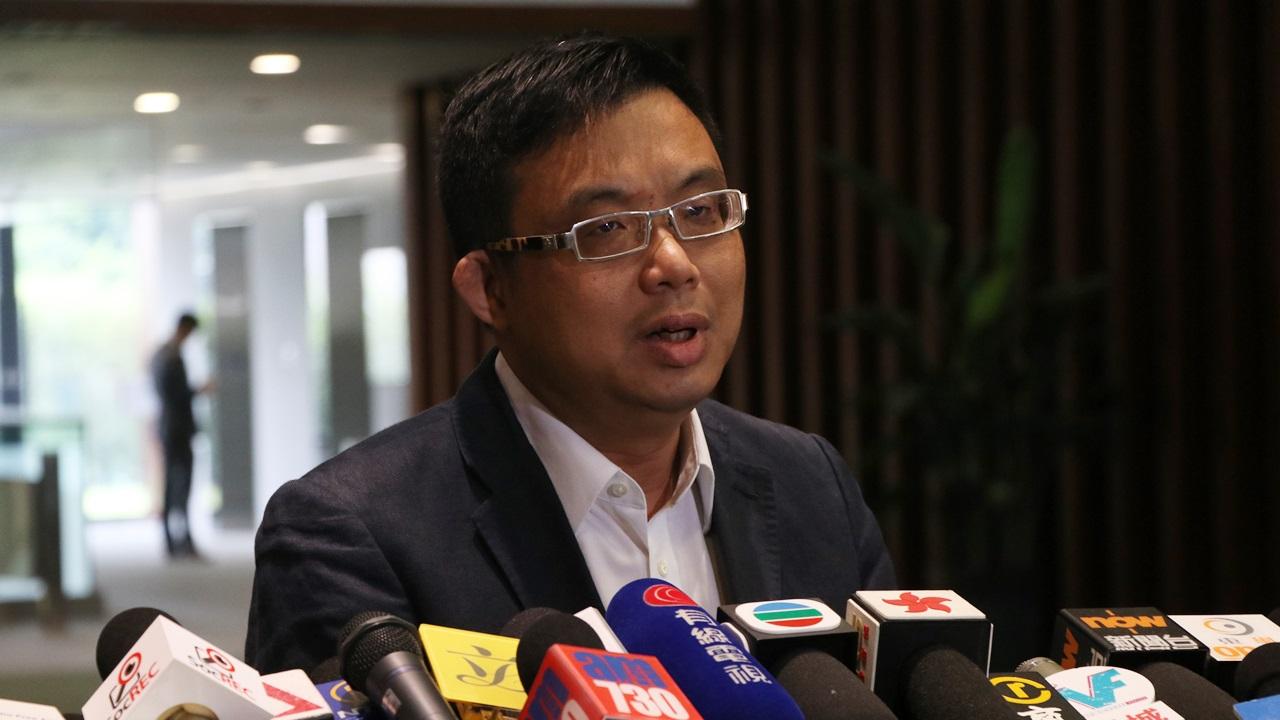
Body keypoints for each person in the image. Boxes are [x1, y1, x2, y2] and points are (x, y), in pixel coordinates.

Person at [245, 34, 894, 674]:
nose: (673, 264)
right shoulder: (351, 534)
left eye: (700, 211)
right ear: (489, 289)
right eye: (606, 229)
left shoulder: (811, 484)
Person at [150, 312, 211, 560]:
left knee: (173, 484)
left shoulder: (161, 354)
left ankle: (173, 539)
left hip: (170, 427)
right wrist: (199, 390)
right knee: (181, 484)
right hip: (177, 428)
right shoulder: (170, 356)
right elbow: (175, 394)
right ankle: (181, 540)